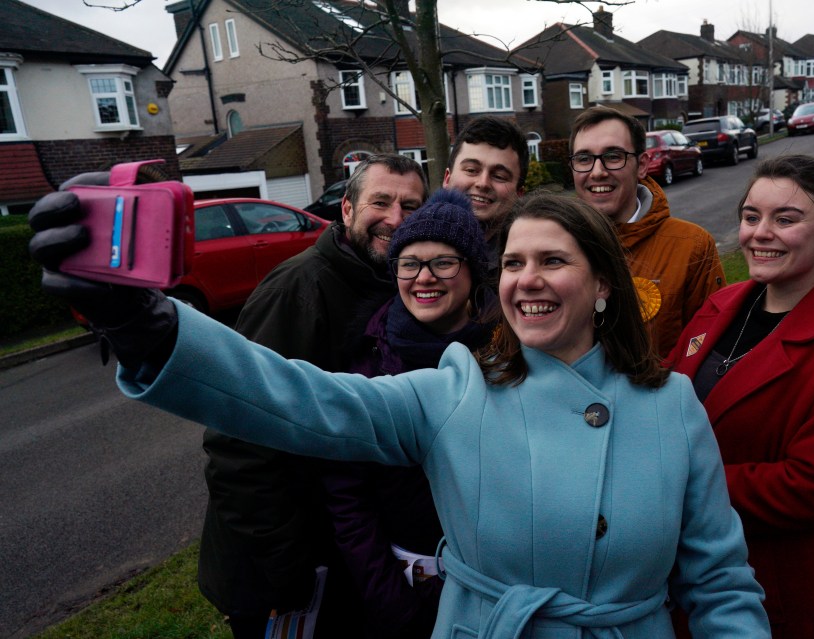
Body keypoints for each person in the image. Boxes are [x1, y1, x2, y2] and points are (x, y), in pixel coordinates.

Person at [30, 191, 772, 638]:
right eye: (512, 263)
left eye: (553, 260)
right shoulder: (457, 385)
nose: (527, 280)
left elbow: (720, 583)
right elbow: (301, 399)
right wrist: (151, 328)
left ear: (605, 283)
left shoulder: (673, 407)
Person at [198, 154, 428, 637]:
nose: (395, 218)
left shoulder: (392, 284)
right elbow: (237, 441)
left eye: (411, 205)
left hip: (338, 550)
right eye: (380, 202)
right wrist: (287, 566)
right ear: (346, 210)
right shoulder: (298, 290)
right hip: (280, 570)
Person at [666, 155, 814, 639]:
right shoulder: (722, 306)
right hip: (685, 574)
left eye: (785, 220)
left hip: (768, 589)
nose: (759, 233)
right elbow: (665, 395)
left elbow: (809, 490)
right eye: (751, 217)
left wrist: (678, 482)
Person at [320, 188, 497, 638]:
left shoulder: (506, 354)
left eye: (443, 262)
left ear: (472, 271)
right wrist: (391, 602)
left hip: (497, 589)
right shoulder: (368, 358)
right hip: (404, 587)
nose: (424, 278)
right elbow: (347, 495)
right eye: (409, 263)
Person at [569, 106, 726, 357]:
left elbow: (709, 349)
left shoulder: (692, 246)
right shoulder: (554, 246)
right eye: (584, 159)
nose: (597, 172)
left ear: (642, 165)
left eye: (613, 156)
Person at [442, 115, 528, 248]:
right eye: (471, 170)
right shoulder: (413, 247)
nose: (483, 183)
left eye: (499, 176)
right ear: (447, 178)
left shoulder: (529, 260)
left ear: (519, 194)